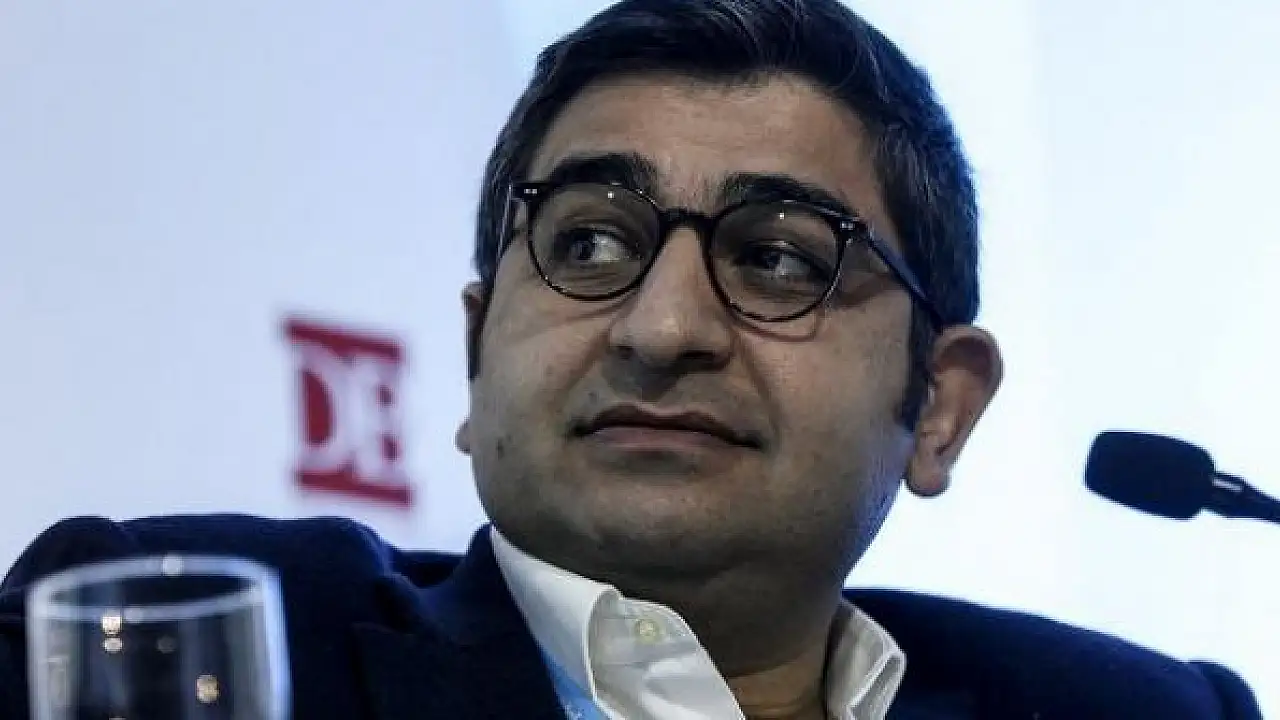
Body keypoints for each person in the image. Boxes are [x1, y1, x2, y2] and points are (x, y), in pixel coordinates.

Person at [0, 1, 1262, 718]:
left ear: (936, 407)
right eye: (589, 242)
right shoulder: (176, 639)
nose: (661, 328)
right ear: (477, 350)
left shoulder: (1138, 713)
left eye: (777, 258)